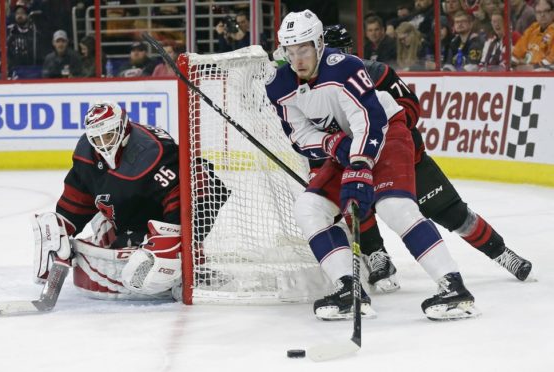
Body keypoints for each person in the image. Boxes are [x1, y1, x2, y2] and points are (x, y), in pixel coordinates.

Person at [266, 10, 478, 321]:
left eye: (305, 48)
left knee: (394, 206)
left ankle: (454, 288)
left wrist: (359, 165)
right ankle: (349, 288)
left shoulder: (345, 68)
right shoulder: (280, 86)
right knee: (308, 208)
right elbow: (299, 135)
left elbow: (369, 119)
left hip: (388, 132)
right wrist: (332, 145)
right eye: (291, 50)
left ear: (320, 44)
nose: (298, 59)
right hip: (346, 144)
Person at [323, 24, 533, 290]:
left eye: (339, 52)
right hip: (360, 164)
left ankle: (502, 253)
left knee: (454, 214)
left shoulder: (376, 73)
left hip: (405, 162)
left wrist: (384, 135)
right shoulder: (317, 91)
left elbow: (410, 107)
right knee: (355, 207)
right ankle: (378, 256)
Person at [32, 101, 229, 300]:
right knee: (104, 233)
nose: (103, 144)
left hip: (163, 217)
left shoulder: (151, 152)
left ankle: (183, 262)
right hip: (129, 214)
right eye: (97, 139)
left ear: (123, 128)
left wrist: (172, 239)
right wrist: (63, 227)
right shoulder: (87, 153)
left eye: (108, 136)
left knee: (141, 272)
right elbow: (78, 195)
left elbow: (184, 191)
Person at [512, 0, 554, 71]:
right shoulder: (533, 28)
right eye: (539, 12)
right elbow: (517, 53)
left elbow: (551, 61)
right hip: (528, 73)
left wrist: (533, 67)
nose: (542, 15)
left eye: (546, 11)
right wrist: (514, 62)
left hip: (545, 76)